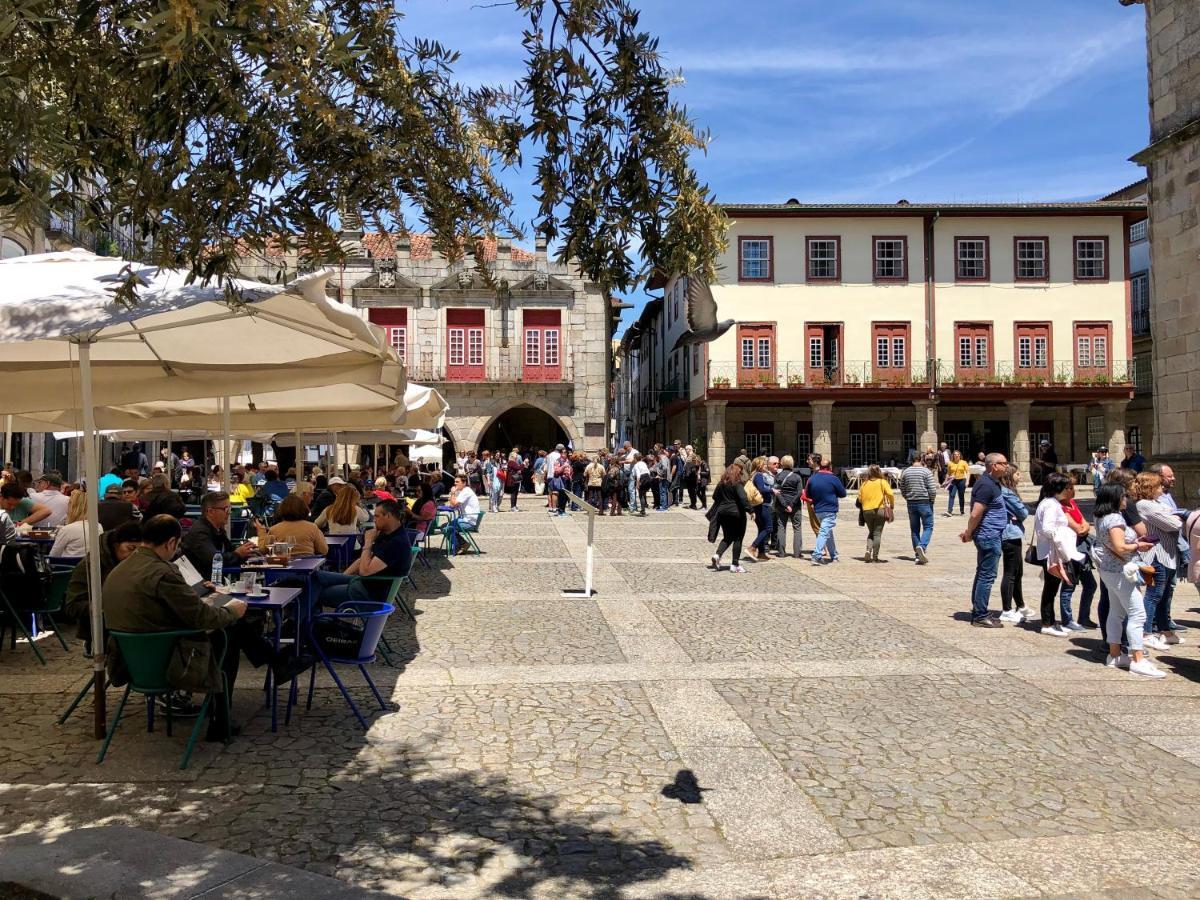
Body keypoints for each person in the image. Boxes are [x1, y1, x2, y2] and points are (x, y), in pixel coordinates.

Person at [103, 514, 309, 742]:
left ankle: (275, 663)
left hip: (130, 658)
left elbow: (165, 605)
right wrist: (232, 610)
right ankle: (223, 718)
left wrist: (201, 592)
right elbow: (202, 617)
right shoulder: (162, 572)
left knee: (231, 626)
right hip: (165, 660)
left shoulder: (121, 569)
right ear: (171, 542)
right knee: (228, 632)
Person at [1092, 484, 1164, 678]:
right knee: (1138, 614)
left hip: (1110, 569)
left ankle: (1115, 654)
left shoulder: (1100, 517)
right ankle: (1138, 659)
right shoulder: (1115, 518)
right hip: (1122, 570)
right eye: (1124, 496)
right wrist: (1138, 545)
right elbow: (1119, 546)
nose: (1127, 500)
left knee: (1116, 612)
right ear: (1115, 498)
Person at [313, 499, 414, 609]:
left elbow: (365, 571)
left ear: (388, 516)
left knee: (315, 591)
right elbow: (363, 560)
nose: (374, 520)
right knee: (315, 576)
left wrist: (368, 542)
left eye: (377, 516)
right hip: (363, 583)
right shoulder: (388, 534)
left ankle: (307, 623)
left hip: (368, 593)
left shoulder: (396, 543)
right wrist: (341, 577)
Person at [63, 520, 142, 646]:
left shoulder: (136, 562)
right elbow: (71, 607)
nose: (135, 555)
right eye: (130, 548)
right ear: (116, 545)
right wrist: (105, 606)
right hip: (101, 631)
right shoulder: (92, 565)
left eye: (140, 551)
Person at [1033, 472, 1087, 637]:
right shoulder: (1050, 504)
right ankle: (1047, 623)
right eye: (1066, 487)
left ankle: (1051, 621)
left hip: (1052, 550)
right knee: (1050, 588)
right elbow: (1048, 529)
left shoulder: (1050, 502)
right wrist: (1064, 534)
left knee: (1052, 588)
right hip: (1051, 552)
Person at [959, 452, 1009, 628]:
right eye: (1003, 463)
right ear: (993, 466)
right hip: (989, 535)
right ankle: (980, 614)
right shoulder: (987, 485)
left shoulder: (992, 483)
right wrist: (969, 532)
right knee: (987, 576)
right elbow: (975, 513)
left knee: (983, 573)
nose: (1006, 466)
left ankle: (978, 609)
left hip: (991, 534)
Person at [1135, 471, 1184, 651]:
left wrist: (1175, 516)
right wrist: (1178, 517)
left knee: (1165, 595)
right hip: (1157, 554)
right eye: (1157, 486)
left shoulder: (1156, 503)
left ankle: (1165, 631)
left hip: (1168, 552)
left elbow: (1174, 517)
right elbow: (1175, 524)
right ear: (1149, 488)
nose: (1161, 489)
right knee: (1154, 594)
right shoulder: (1145, 505)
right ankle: (1146, 633)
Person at [180, 491, 259, 576]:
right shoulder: (199, 532)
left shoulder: (218, 529)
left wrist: (247, 552)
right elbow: (215, 560)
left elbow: (230, 550)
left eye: (230, 508)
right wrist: (238, 554)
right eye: (226, 509)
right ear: (210, 511)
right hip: (202, 584)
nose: (229, 512)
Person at [1058, 480, 1099, 630]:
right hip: (1071, 550)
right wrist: (1083, 527)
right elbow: (1078, 528)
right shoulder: (1061, 508)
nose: (1071, 491)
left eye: (1072, 488)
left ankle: (1083, 617)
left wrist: (1084, 527)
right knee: (1069, 585)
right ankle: (1067, 619)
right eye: (1067, 488)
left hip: (1082, 549)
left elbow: (1085, 523)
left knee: (1090, 585)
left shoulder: (1072, 503)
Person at [997, 466, 1034, 624]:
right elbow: (1023, 513)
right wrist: (1021, 510)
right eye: (1018, 474)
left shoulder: (1007, 491)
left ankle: (1020, 605)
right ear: (1010, 476)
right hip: (1009, 535)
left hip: (1014, 533)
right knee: (1010, 573)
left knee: (1017, 572)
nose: (1020, 476)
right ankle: (1006, 609)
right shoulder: (1007, 492)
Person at [709, 463, 750, 573]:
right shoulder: (737, 483)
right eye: (740, 473)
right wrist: (751, 510)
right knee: (738, 538)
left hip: (722, 513)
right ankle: (735, 564)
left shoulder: (721, 483)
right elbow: (743, 498)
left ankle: (717, 555)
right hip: (736, 513)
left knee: (727, 537)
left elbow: (714, 496)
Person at [256, 494, 328, 556]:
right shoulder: (312, 527)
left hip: (283, 569)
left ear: (281, 510)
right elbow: (323, 550)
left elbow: (263, 550)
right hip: (308, 569)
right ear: (303, 509)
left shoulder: (274, 530)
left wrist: (261, 532)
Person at [806, 460, 847, 565]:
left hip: (818, 509)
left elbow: (808, 494)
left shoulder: (812, 478)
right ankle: (817, 555)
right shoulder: (834, 478)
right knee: (824, 531)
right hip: (830, 509)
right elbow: (843, 493)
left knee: (827, 531)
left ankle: (834, 555)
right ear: (830, 467)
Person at [900, 454, 937, 564]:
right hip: (924, 502)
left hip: (911, 502)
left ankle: (917, 555)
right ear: (921, 460)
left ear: (911, 460)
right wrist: (932, 500)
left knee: (915, 529)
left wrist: (907, 497)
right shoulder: (926, 472)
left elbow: (902, 488)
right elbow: (932, 489)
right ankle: (922, 546)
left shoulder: (905, 472)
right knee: (928, 526)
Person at [858, 464, 894, 563]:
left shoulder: (864, 483)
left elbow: (860, 499)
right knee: (877, 533)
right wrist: (891, 504)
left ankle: (868, 550)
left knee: (871, 532)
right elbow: (890, 493)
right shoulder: (882, 482)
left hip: (867, 511)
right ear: (879, 472)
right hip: (879, 509)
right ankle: (875, 557)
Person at [772, 455, 806, 558]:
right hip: (795, 506)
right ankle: (797, 553)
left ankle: (781, 553)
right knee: (797, 528)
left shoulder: (778, 476)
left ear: (782, 463)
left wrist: (785, 504)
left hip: (781, 506)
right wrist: (791, 505)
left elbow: (777, 492)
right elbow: (799, 492)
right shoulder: (797, 477)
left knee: (781, 527)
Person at [50, 489, 101, 558]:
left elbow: (53, 556)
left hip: (66, 567)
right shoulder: (98, 526)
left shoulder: (67, 529)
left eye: (69, 504)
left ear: (72, 507)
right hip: (89, 566)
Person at [748, 456, 776, 561]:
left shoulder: (754, 475)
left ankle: (761, 553)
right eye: (764, 464)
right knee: (769, 528)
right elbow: (762, 489)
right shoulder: (759, 475)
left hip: (758, 506)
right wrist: (772, 490)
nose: (766, 466)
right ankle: (752, 547)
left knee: (761, 529)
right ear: (760, 465)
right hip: (763, 505)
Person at [445, 475, 481, 552]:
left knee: (446, 528)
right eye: (455, 482)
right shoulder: (464, 491)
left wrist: (453, 493)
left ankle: (461, 545)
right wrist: (453, 497)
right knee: (446, 527)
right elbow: (454, 505)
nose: (455, 483)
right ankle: (462, 544)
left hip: (469, 521)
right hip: (466, 519)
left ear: (464, 483)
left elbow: (453, 504)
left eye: (457, 482)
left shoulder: (466, 491)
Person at [943, 450, 969, 517]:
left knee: (961, 496)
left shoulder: (964, 462)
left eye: (958, 454)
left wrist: (967, 481)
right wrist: (945, 481)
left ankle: (962, 511)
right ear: (953, 456)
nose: (956, 455)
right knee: (952, 495)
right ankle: (949, 511)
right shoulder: (950, 463)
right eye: (955, 454)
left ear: (960, 455)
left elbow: (968, 472)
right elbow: (948, 473)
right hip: (953, 481)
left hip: (961, 480)